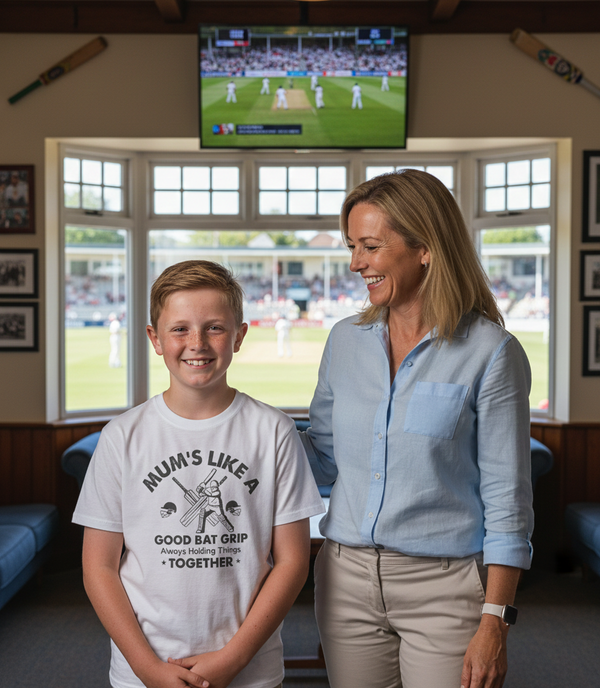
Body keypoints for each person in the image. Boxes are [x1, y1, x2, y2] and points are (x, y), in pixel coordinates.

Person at [299, 170, 534, 688]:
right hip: (344, 582)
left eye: (371, 246)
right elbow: (323, 458)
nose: (356, 262)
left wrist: (495, 621)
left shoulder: (492, 354)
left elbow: (507, 501)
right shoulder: (344, 340)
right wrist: (236, 422)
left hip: (446, 590)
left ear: (425, 247)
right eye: (352, 247)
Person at [73, 260, 324, 688]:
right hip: (144, 667)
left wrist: (234, 657)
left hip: (250, 668)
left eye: (214, 328)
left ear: (239, 336)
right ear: (154, 338)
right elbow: (99, 567)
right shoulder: (121, 437)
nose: (197, 343)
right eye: (180, 329)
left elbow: (293, 561)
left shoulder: (275, 431)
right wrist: (146, 667)